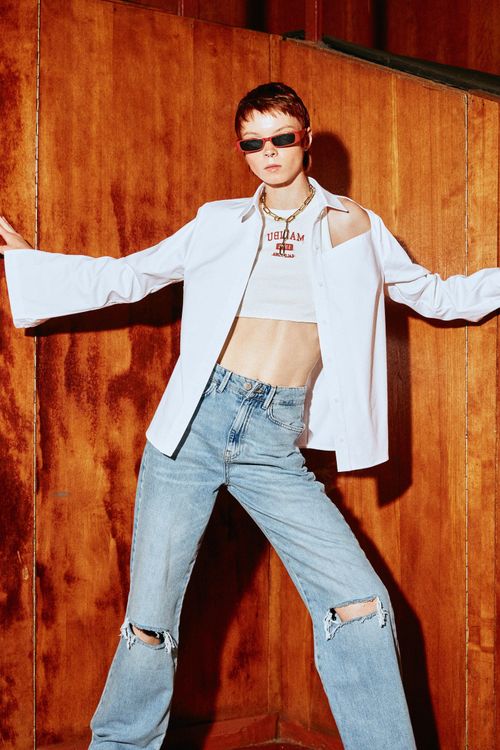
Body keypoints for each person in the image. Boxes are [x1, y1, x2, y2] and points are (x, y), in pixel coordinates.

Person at [1, 81, 499, 750]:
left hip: (272, 442)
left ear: (306, 140)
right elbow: (129, 275)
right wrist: (28, 264)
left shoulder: (354, 226)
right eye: (253, 142)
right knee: (149, 624)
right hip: (192, 430)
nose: (269, 152)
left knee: (360, 605)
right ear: (241, 150)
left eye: (282, 137)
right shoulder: (219, 223)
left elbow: (436, 295)